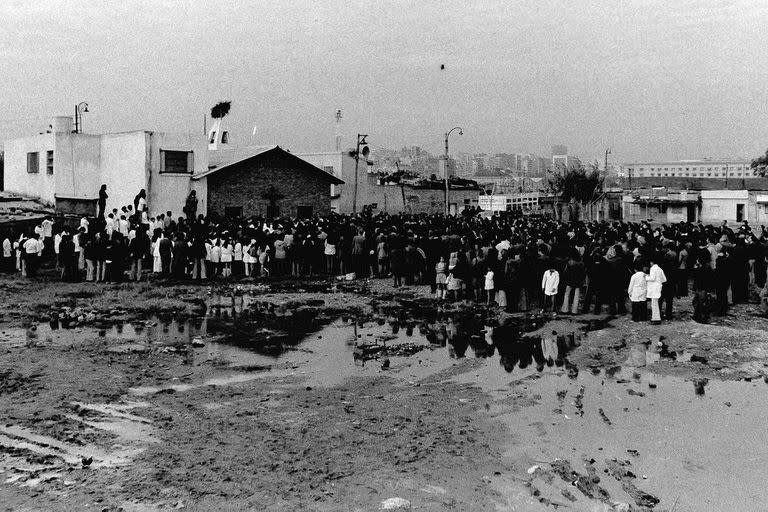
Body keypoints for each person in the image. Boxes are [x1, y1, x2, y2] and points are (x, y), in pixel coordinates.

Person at [646, 254, 667, 324]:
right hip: (659, 287)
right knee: (656, 304)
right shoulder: (660, 269)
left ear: (652, 262)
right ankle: (656, 318)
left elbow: (652, 278)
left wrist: (646, 277)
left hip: (654, 288)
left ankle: (656, 319)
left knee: (654, 304)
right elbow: (664, 279)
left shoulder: (652, 268)